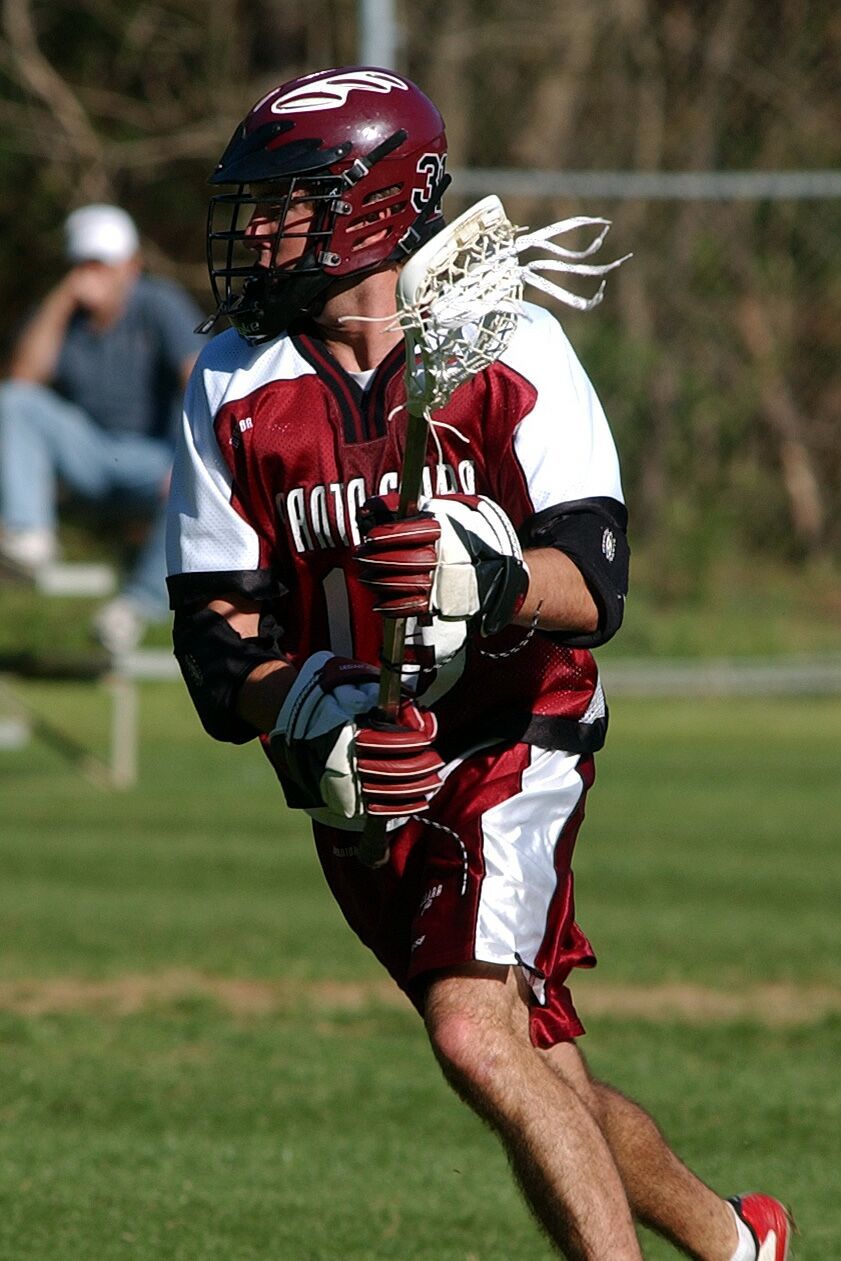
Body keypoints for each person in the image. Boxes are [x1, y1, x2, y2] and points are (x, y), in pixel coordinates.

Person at [165, 66, 792, 1261]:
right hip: (368, 775)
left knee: (471, 1032)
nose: (257, 232)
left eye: (286, 201)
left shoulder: (511, 344)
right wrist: (306, 711)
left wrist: (487, 574)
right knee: (542, 1066)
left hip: (515, 729)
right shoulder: (234, 381)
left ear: (371, 205)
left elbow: (593, 584)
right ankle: (734, 1242)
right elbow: (214, 639)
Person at [0, 203, 206, 653]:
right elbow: (23, 379)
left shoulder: (158, 302)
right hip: (88, 455)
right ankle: (28, 535)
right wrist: (60, 302)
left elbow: (198, 379)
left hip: (153, 458)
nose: (91, 275)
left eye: (102, 264)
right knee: (14, 401)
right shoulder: (60, 313)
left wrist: (189, 456)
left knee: (194, 481)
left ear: (130, 265)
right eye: (83, 264)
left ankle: (135, 607)